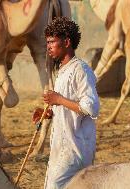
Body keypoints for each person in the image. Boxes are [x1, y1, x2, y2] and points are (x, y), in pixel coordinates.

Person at [42, 17, 100, 189]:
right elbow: (69, 106)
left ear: (66, 42)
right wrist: (51, 112)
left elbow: (91, 108)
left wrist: (58, 99)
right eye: (47, 42)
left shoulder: (81, 69)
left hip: (75, 150)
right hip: (61, 148)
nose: (49, 47)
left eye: (52, 42)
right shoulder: (62, 70)